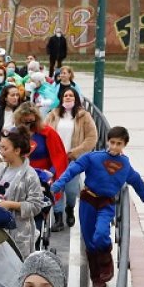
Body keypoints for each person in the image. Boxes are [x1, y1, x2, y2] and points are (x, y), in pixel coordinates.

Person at [51, 126, 144, 287]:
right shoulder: (93, 157)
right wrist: (58, 184)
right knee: (89, 241)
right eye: (112, 142)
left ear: (124, 145)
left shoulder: (125, 164)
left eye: (119, 143)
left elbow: (136, 179)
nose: (114, 146)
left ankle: (106, 263)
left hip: (106, 203)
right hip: (88, 200)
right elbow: (73, 169)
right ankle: (96, 277)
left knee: (101, 234)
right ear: (107, 141)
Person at [0, 127, 49, 258]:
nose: (1, 152)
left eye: (5, 148)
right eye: (0, 147)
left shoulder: (30, 175)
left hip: (19, 233)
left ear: (17, 150)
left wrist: (11, 205)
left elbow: (36, 206)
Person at [43, 86, 97, 229]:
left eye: (71, 96)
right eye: (65, 95)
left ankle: (70, 208)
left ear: (76, 99)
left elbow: (92, 137)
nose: (68, 98)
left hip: (73, 159)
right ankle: (59, 217)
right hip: (55, 159)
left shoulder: (83, 116)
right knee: (56, 187)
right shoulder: (53, 115)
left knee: (72, 190)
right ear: (61, 99)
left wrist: (76, 152)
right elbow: (43, 133)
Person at [14, 103, 68, 196]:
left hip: (44, 177)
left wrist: (50, 174)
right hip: (20, 177)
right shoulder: (14, 133)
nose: (28, 125)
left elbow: (59, 157)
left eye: (31, 121)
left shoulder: (48, 133)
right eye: (25, 121)